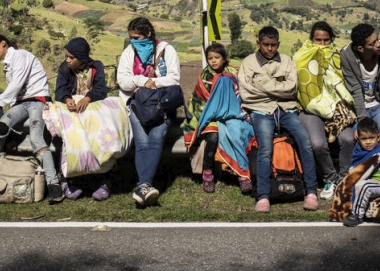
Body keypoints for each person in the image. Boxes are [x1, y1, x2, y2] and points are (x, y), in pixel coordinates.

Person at [238, 26, 319, 213]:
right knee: (265, 148)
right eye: (266, 44)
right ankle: (263, 195)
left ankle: (311, 191)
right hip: (261, 110)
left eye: (273, 45)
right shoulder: (248, 63)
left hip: (286, 109)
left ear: (278, 44)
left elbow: (291, 88)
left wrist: (261, 84)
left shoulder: (287, 61)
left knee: (305, 142)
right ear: (258, 43)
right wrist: (277, 86)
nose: (269, 49)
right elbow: (247, 94)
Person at [0, 34, 64, 204]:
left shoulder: (21, 55)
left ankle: (53, 184)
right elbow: (16, 94)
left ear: (3, 44)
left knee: (36, 139)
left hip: (38, 100)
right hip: (22, 103)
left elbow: (16, 85)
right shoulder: (8, 65)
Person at [117, 16, 181, 207]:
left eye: (138, 37)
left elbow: (174, 78)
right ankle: (146, 186)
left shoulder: (166, 50)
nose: (135, 41)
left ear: (149, 33)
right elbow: (123, 80)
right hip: (137, 105)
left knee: (156, 139)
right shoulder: (129, 52)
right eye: (132, 38)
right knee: (143, 142)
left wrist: (155, 83)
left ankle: (143, 185)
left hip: (162, 104)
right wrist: (142, 81)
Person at [294, 21, 355, 201]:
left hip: (337, 107)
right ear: (311, 39)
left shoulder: (339, 57)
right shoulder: (301, 56)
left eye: (326, 41)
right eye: (317, 40)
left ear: (332, 40)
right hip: (309, 108)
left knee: (348, 139)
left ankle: (344, 178)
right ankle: (330, 178)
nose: (321, 45)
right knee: (318, 143)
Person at [182, 42, 254, 194]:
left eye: (217, 57)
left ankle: (242, 174)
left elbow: (240, 95)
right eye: (210, 58)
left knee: (237, 133)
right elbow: (199, 100)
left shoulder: (233, 73)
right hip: (209, 116)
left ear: (224, 58)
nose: (213, 61)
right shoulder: (205, 76)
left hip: (233, 114)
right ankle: (207, 173)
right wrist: (211, 112)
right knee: (213, 137)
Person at [54, 37, 111, 200]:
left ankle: (103, 181)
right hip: (73, 111)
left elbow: (101, 89)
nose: (68, 60)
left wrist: (88, 98)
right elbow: (60, 90)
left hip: (92, 109)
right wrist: (67, 99)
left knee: (100, 139)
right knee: (72, 141)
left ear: (82, 58)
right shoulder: (64, 68)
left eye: (71, 57)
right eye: (67, 56)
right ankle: (70, 179)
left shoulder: (96, 67)